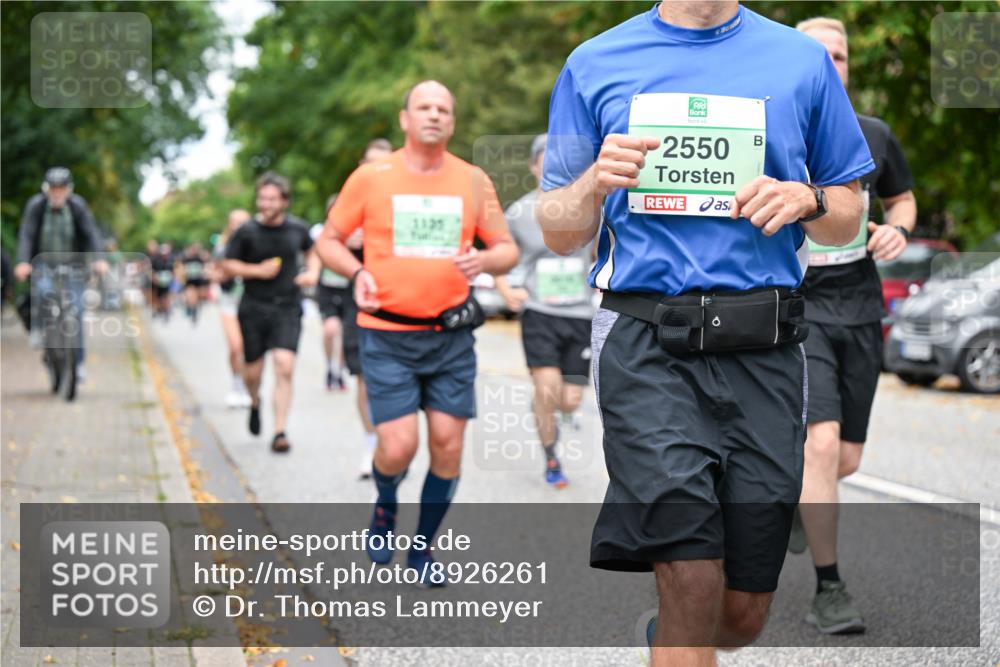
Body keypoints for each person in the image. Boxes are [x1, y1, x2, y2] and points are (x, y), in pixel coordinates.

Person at [538, 1, 874, 663]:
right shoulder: (595, 62)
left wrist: (807, 199)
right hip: (648, 345)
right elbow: (557, 228)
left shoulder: (801, 60)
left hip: (766, 346)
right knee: (690, 572)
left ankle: (667, 640)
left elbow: (849, 213)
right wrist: (591, 185)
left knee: (743, 612)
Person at [316, 81, 518, 584]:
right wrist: (357, 272)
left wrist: (486, 257)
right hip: (387, 335)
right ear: (404, 119)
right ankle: (386, 501)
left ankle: (423, 549)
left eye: (444, 109)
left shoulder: (473, 181)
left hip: (450, 336)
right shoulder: (371, 177)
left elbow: (508, 249)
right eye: (424, 107)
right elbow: (329, 241)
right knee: (400, 446)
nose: (434, 115)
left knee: (447, 443)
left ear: (452, 123)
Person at [792, 15, 918, 635]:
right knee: (819, 444)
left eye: (840, 55)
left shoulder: (872, 134)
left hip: (861, 309)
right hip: (800, 307)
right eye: (819, 53)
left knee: (843, 459)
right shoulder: (777, 130)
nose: (831, 63)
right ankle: (829, 588)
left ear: (848, 66)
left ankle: (792, 495)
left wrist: (900, 227)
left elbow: (902, 198)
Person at [495, 134, 594, 489]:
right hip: (539, 310)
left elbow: (601, 251)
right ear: (534, 166)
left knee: (569, 399)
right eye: (545, 161)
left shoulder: (587, 206)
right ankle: (552, 457)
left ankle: (549, 408)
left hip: (580, 313)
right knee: (548, 388)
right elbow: (502, 255)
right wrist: (506, 288)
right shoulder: (519, 213)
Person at [222, 173, 319, 453]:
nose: (265, 204)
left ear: (285, 202)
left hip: (287, 306)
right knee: (253, 372)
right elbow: (227, 265)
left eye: (272, 199)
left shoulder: (298, 229)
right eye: (262, 198)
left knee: (284, 366)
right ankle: (254, 401)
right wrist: (257, 271)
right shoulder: (247, 231)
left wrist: (311, 272)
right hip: (253, 306)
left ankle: (279, 431)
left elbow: (314, 252)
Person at [15, 167, 107, 380]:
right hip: (44, 263)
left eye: (61, 189)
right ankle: (39, 330)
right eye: (54, 189)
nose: (57, 193)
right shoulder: (36, 206)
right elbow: (27, 235)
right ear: (47, 189)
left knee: (77, 310)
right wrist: (22, 262)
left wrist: (99, 259)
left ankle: (80, 363)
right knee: (43, 291)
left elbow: (92, 233)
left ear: (68, 189)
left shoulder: (77, 206)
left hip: (73, 264)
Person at [213, 210, 253, 409]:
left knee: (247, 348)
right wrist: (221, 274)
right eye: (235, 222)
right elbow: (215, 271)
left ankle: (246, 386)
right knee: (235, 346)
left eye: (242, 222)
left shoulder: (256, 244)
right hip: (229, 303)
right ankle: (236, 383)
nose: (238, 225)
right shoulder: (223, 247)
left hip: (251, 303)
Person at [179, 241, 211, 324]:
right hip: (190, 280)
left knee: (199, 296)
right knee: (190, 296)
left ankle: (194, 308)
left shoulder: (201, 259)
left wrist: (206, 273)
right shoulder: (186, 258)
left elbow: (206, 268)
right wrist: (183, 274)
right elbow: (181, 269)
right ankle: (191, 309)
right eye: (195, 248)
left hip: (199, 280)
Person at [150, 242, 175, 321]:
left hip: (168, 282)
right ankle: (159, 309)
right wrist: (154, 279)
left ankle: (167, 311)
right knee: (158, 297)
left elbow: (175, 271)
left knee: (167, 296)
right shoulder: (156, 261)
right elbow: (152, 272)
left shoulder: (171, 260)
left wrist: (173, 278)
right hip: (158, 283)